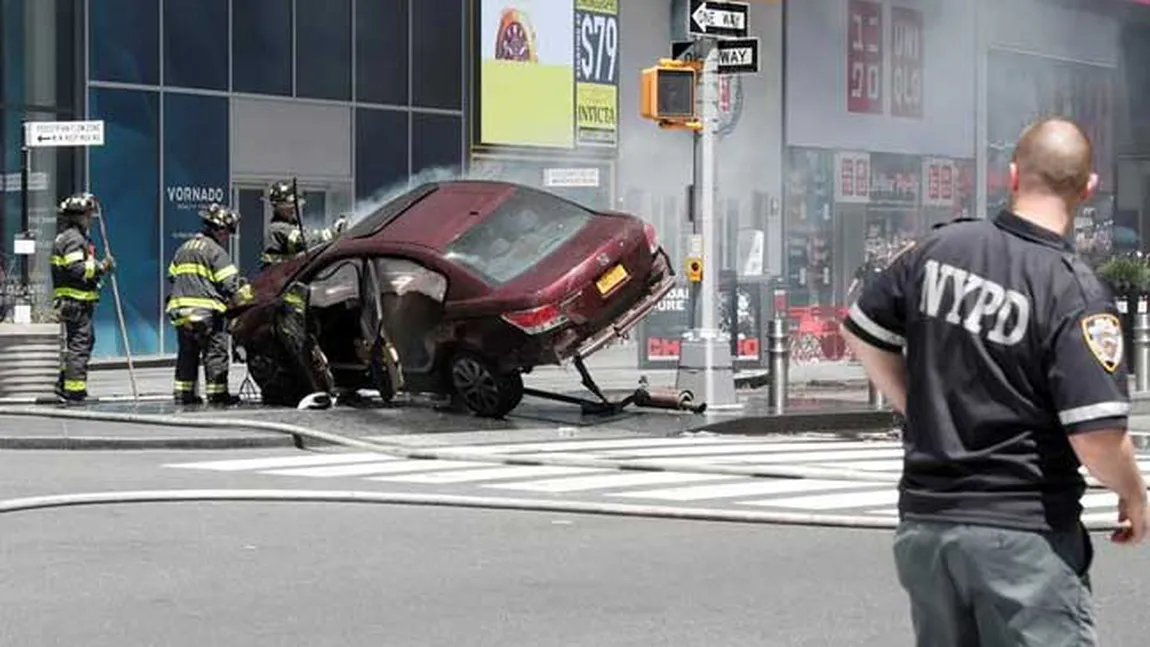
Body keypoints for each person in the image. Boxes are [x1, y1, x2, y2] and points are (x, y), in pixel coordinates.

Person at [841, 117, 1149, 646]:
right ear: (1088, 188)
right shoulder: (1071, 290)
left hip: (926, 526)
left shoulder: (938, 249)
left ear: (1011, 176)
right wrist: (1134, 493)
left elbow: (862, 331)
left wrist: (914, 404)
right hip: (1022, 531)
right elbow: (1096, 437)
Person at [167, 203, 253, 405]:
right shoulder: (216, 252)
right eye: (227, 233)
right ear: (219, 229)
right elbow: (230, 285)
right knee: (215, 354)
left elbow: (172, 276)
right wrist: (249, 298)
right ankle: (217, 395)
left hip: (181, 314)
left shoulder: (183, 248)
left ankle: (183, 395)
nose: (227, 237)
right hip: (207, 315)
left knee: (187, 354)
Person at [51, 193, 114, 403]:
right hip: (75, 302)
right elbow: (76, 268)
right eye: (87, 215)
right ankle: (74, 391)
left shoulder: (72, 237)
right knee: (80, 344)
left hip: (74, 302)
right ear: (77, 217)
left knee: (77, 344)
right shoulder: (73, 239)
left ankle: (64, 384)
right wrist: (101, 266)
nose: (90, 218)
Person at [259, 181, 347, 268]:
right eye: (287, 205)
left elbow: (307, 236)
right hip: (278, 277)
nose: (292, 209)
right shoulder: (277, 228)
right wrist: (332, 232)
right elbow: (303, 242)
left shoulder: (292, 225)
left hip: (287, 274)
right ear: (277, 207)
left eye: (293, 205)